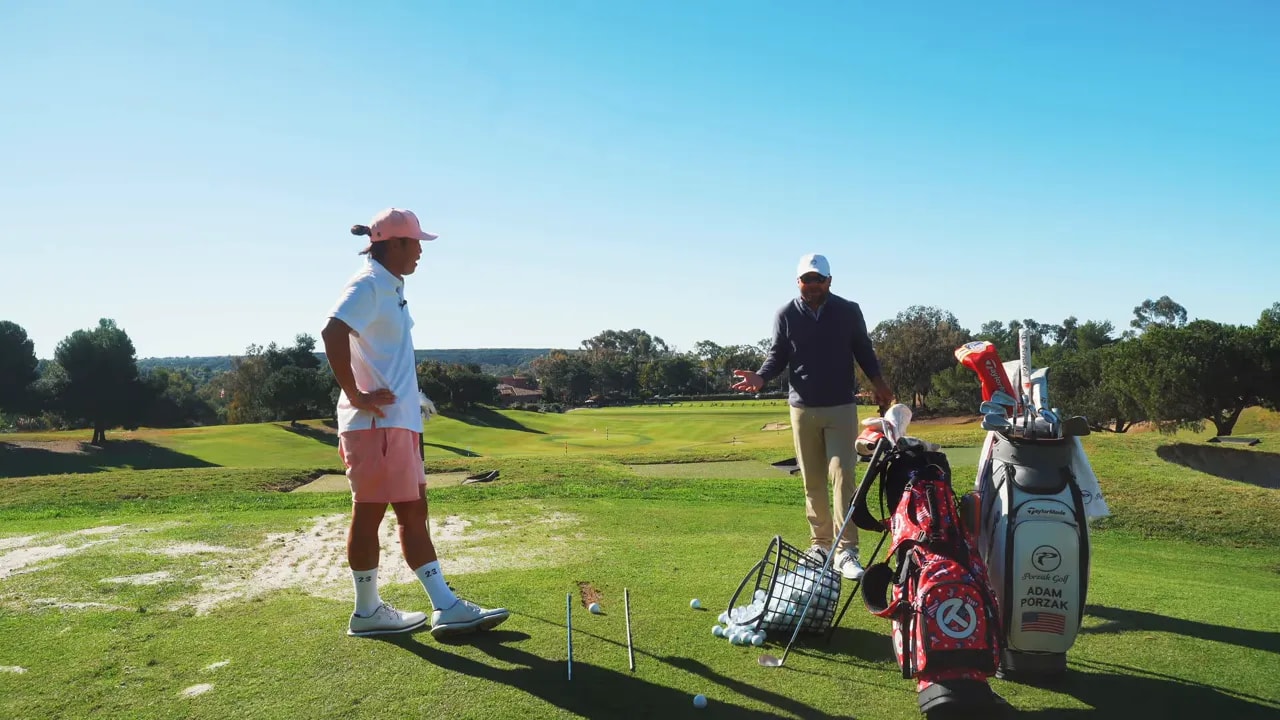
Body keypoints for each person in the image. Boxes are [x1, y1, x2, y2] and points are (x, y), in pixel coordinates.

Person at [321, 207, 509, 639]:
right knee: (374, 515)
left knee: (413, 511)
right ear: (394, 244)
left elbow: (383, 355)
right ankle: (402, 609)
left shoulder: (390, 286)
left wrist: (411, 398)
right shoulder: (368, 284)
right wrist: (356, 395)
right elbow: (332, 332)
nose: (421, 252)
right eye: (416, 243)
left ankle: (428, 606)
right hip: (376, 426)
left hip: (395, 423)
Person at [732, 253, 894, 580]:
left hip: (841, 407)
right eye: (807, 280)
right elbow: (777, 355)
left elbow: (864, 349)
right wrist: (761, 377)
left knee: (843, 474)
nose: (813, 285)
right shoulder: (787, 314)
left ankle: (846, 551)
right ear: (798, 282)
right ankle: (821, 545)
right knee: (812, 481)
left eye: (818, 279)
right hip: (802, 409)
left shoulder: (848, 311)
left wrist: (879, 384)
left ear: (829, 281)